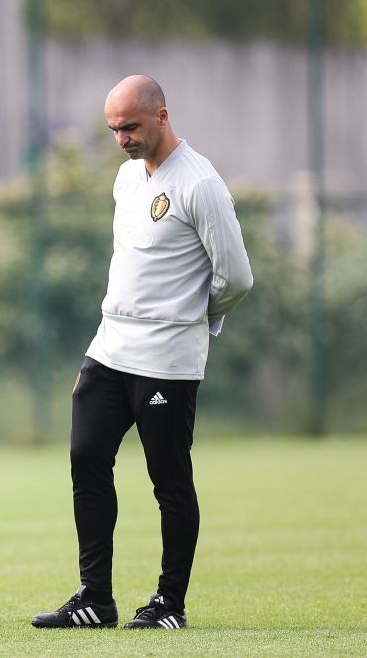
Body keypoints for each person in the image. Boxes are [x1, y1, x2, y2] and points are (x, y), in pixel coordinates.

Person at [31, 75, 253, 630]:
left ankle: (168, 605)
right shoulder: (127, 178)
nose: (122, 138)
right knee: (86, 457)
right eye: (113, 129)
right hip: (109, 348)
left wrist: (188, 319)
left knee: (169, 481)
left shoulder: (200, 184)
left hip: (167, 359)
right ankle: (95, 598)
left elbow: (237, 278)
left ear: (160, 116)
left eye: (129, 126)